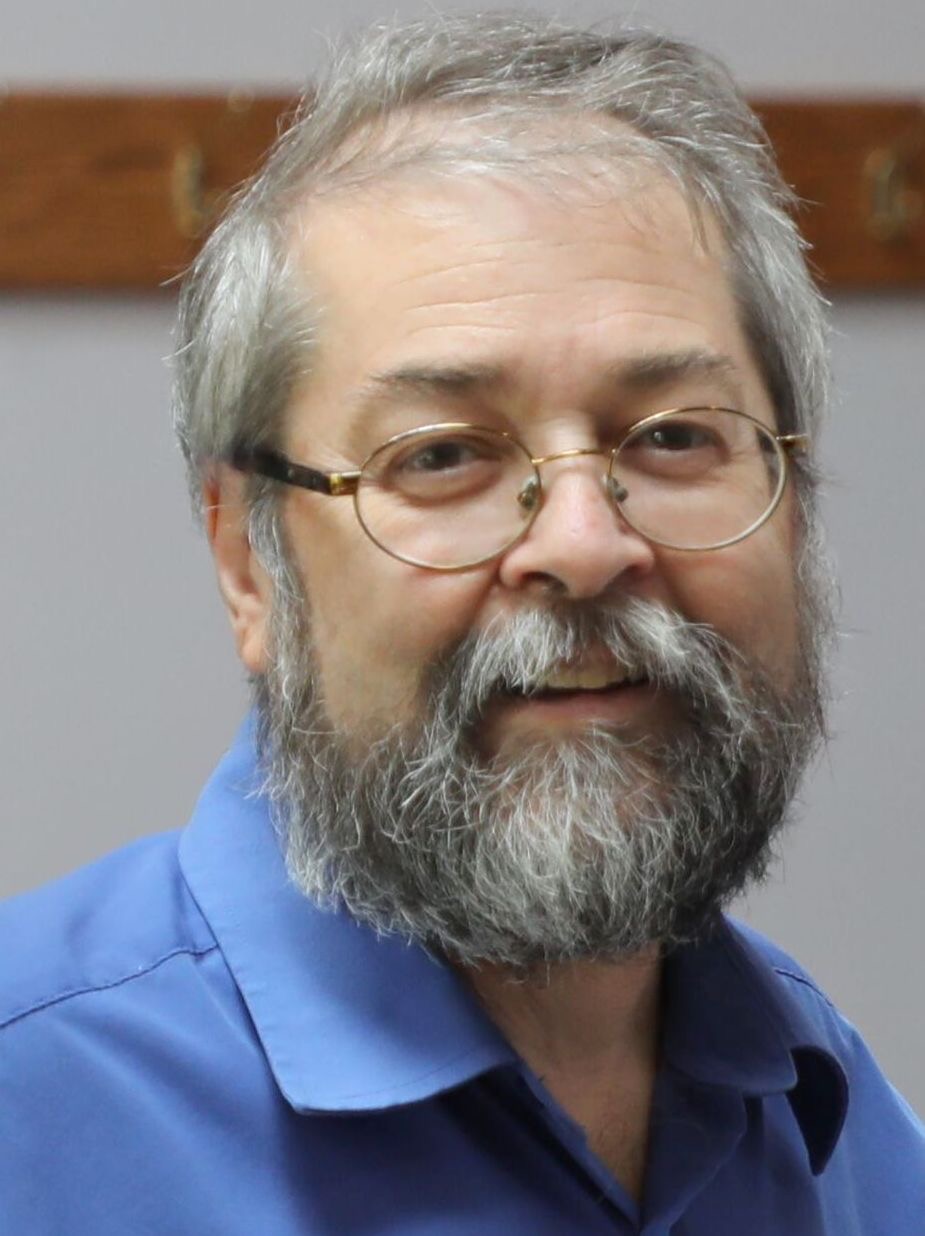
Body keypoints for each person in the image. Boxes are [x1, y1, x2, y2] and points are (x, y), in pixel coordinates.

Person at [2, 13, 922, 1234]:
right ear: (247, 563)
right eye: (441, 456)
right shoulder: (33, 1102)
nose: (586, 545)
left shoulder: (836, 1120)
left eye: (676, 435)